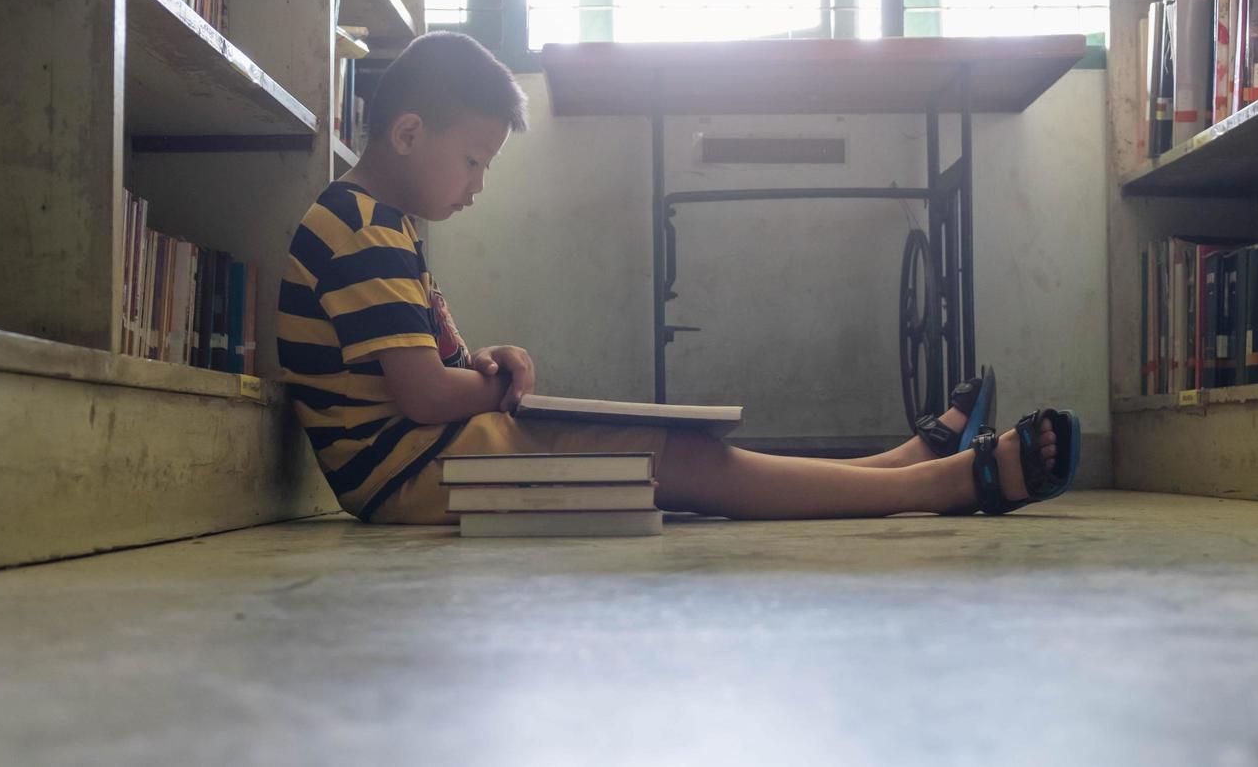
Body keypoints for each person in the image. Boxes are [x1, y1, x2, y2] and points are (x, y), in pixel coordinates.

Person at [276, 32, 1080, 525]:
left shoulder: (373, 223)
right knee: (674, 461)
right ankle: (943, 485)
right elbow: (420, 396)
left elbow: (416, 377)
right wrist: (499, 386)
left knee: (681, 448)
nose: (478, 185)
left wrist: (491, 367)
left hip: (428, 458)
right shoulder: (364, 227)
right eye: (474, 162)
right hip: (413, 475)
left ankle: (900, 467)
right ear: (410, 133)